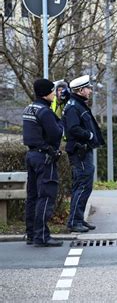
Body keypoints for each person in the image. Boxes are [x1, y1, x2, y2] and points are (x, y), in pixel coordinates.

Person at [22, 79, 64, 247]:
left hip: (31, 155)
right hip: (44, 157)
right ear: (46, 93)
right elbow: (56, 133)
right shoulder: (45, 112)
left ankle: (31, 233)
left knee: (32, 196)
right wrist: (59, 121)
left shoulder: (29, 109)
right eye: (53, 91)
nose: (55, 94)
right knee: (46, 196)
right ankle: (42, 236)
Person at [63, 75, 105, 233]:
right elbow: (73, 128)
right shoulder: (74, 106)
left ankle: (78, 219)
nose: (90, 91)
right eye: (88, 88)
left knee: (83, 185)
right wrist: (89, 135)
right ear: (80, 90)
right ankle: (74, 221)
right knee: (82, 185)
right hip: (79, 151)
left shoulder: (77, 104)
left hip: (83, 151)